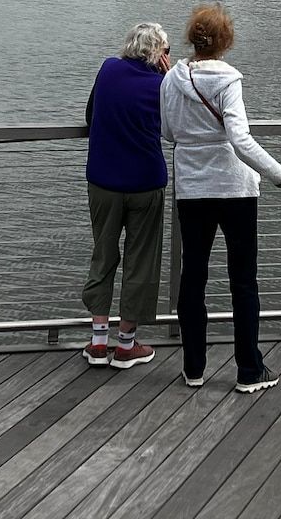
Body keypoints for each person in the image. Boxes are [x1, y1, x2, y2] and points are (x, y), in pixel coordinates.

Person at [161, 3, 281, 393]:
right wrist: (279, 173)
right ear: (225, 41)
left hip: (192, 189)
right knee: (243, 282)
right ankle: (249, 370)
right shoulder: (229, 80)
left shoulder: (171, 80)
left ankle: (193, 368)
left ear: (191, 38)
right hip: (235, 190)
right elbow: (240, 139)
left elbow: (168, 133)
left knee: (193, 277)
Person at [81, 22, 172, 369]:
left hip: (103, 181)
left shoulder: (108, 69)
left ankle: (98, 343)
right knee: (141, 261)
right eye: (167, 51)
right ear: (158, 54)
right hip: (145, 184)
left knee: (103, 255)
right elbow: (174, 128)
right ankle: (126, 345)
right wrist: (172, 75)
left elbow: (90, 116)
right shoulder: (163, 85)